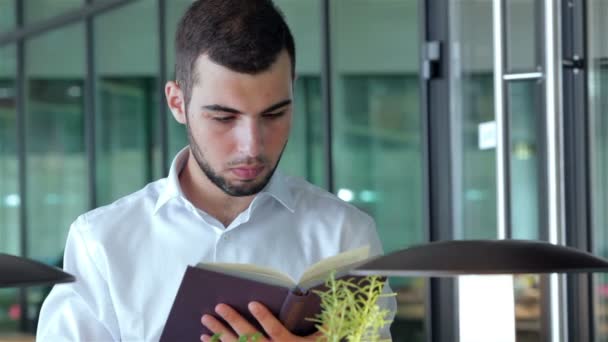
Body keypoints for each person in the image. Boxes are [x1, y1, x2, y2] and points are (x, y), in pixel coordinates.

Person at [36, 0, 396, 341]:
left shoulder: (345, 234)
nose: (251, 146)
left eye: (274, 114)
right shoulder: (101, 242)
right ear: (178, 102)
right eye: (224, 117)